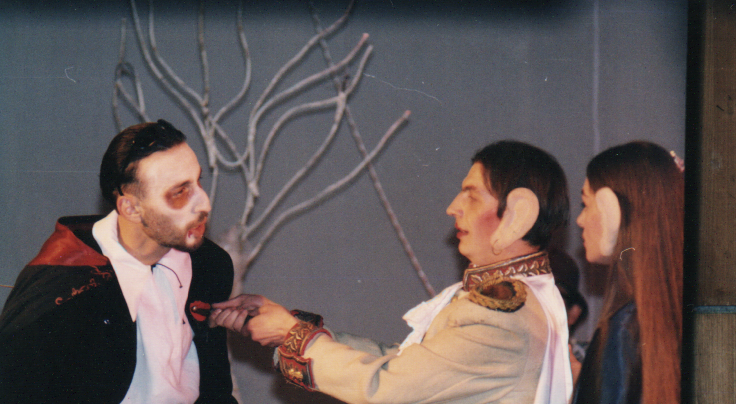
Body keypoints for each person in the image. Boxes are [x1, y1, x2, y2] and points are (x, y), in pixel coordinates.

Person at [211, 140, 574, 403]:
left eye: (472, 195)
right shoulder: (508, 305)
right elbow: (404, 360)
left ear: (516, 214)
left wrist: (293, 335)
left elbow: (388, 387)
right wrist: (290, 329)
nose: (453, 207)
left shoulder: (502, 319)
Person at [0, 120, 237, 403]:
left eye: (198, 181)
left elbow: (215, 391)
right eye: (179, 192)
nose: (205, 203)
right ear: (131, 208)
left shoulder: (209, 265)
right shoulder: (63, 287)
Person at [572, 141, 683, 404]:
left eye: (586, 204)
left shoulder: (624, 327)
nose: (580, 220)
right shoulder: (672, 311)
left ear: (611, 210)